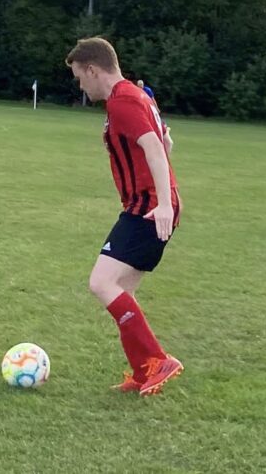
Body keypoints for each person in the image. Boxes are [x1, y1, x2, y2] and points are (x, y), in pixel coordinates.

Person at [66, 37, 184, 397]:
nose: (80, 86)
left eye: (79, 77)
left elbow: (153, 147)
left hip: (146, 207)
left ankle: (157, 360)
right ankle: (143, 369)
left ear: (92, 69)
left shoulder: (123, 101)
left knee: (101, 283)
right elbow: (166, 142)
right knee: (123, 292)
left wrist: (163, 204)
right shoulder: (138, 95)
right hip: (148, 204)